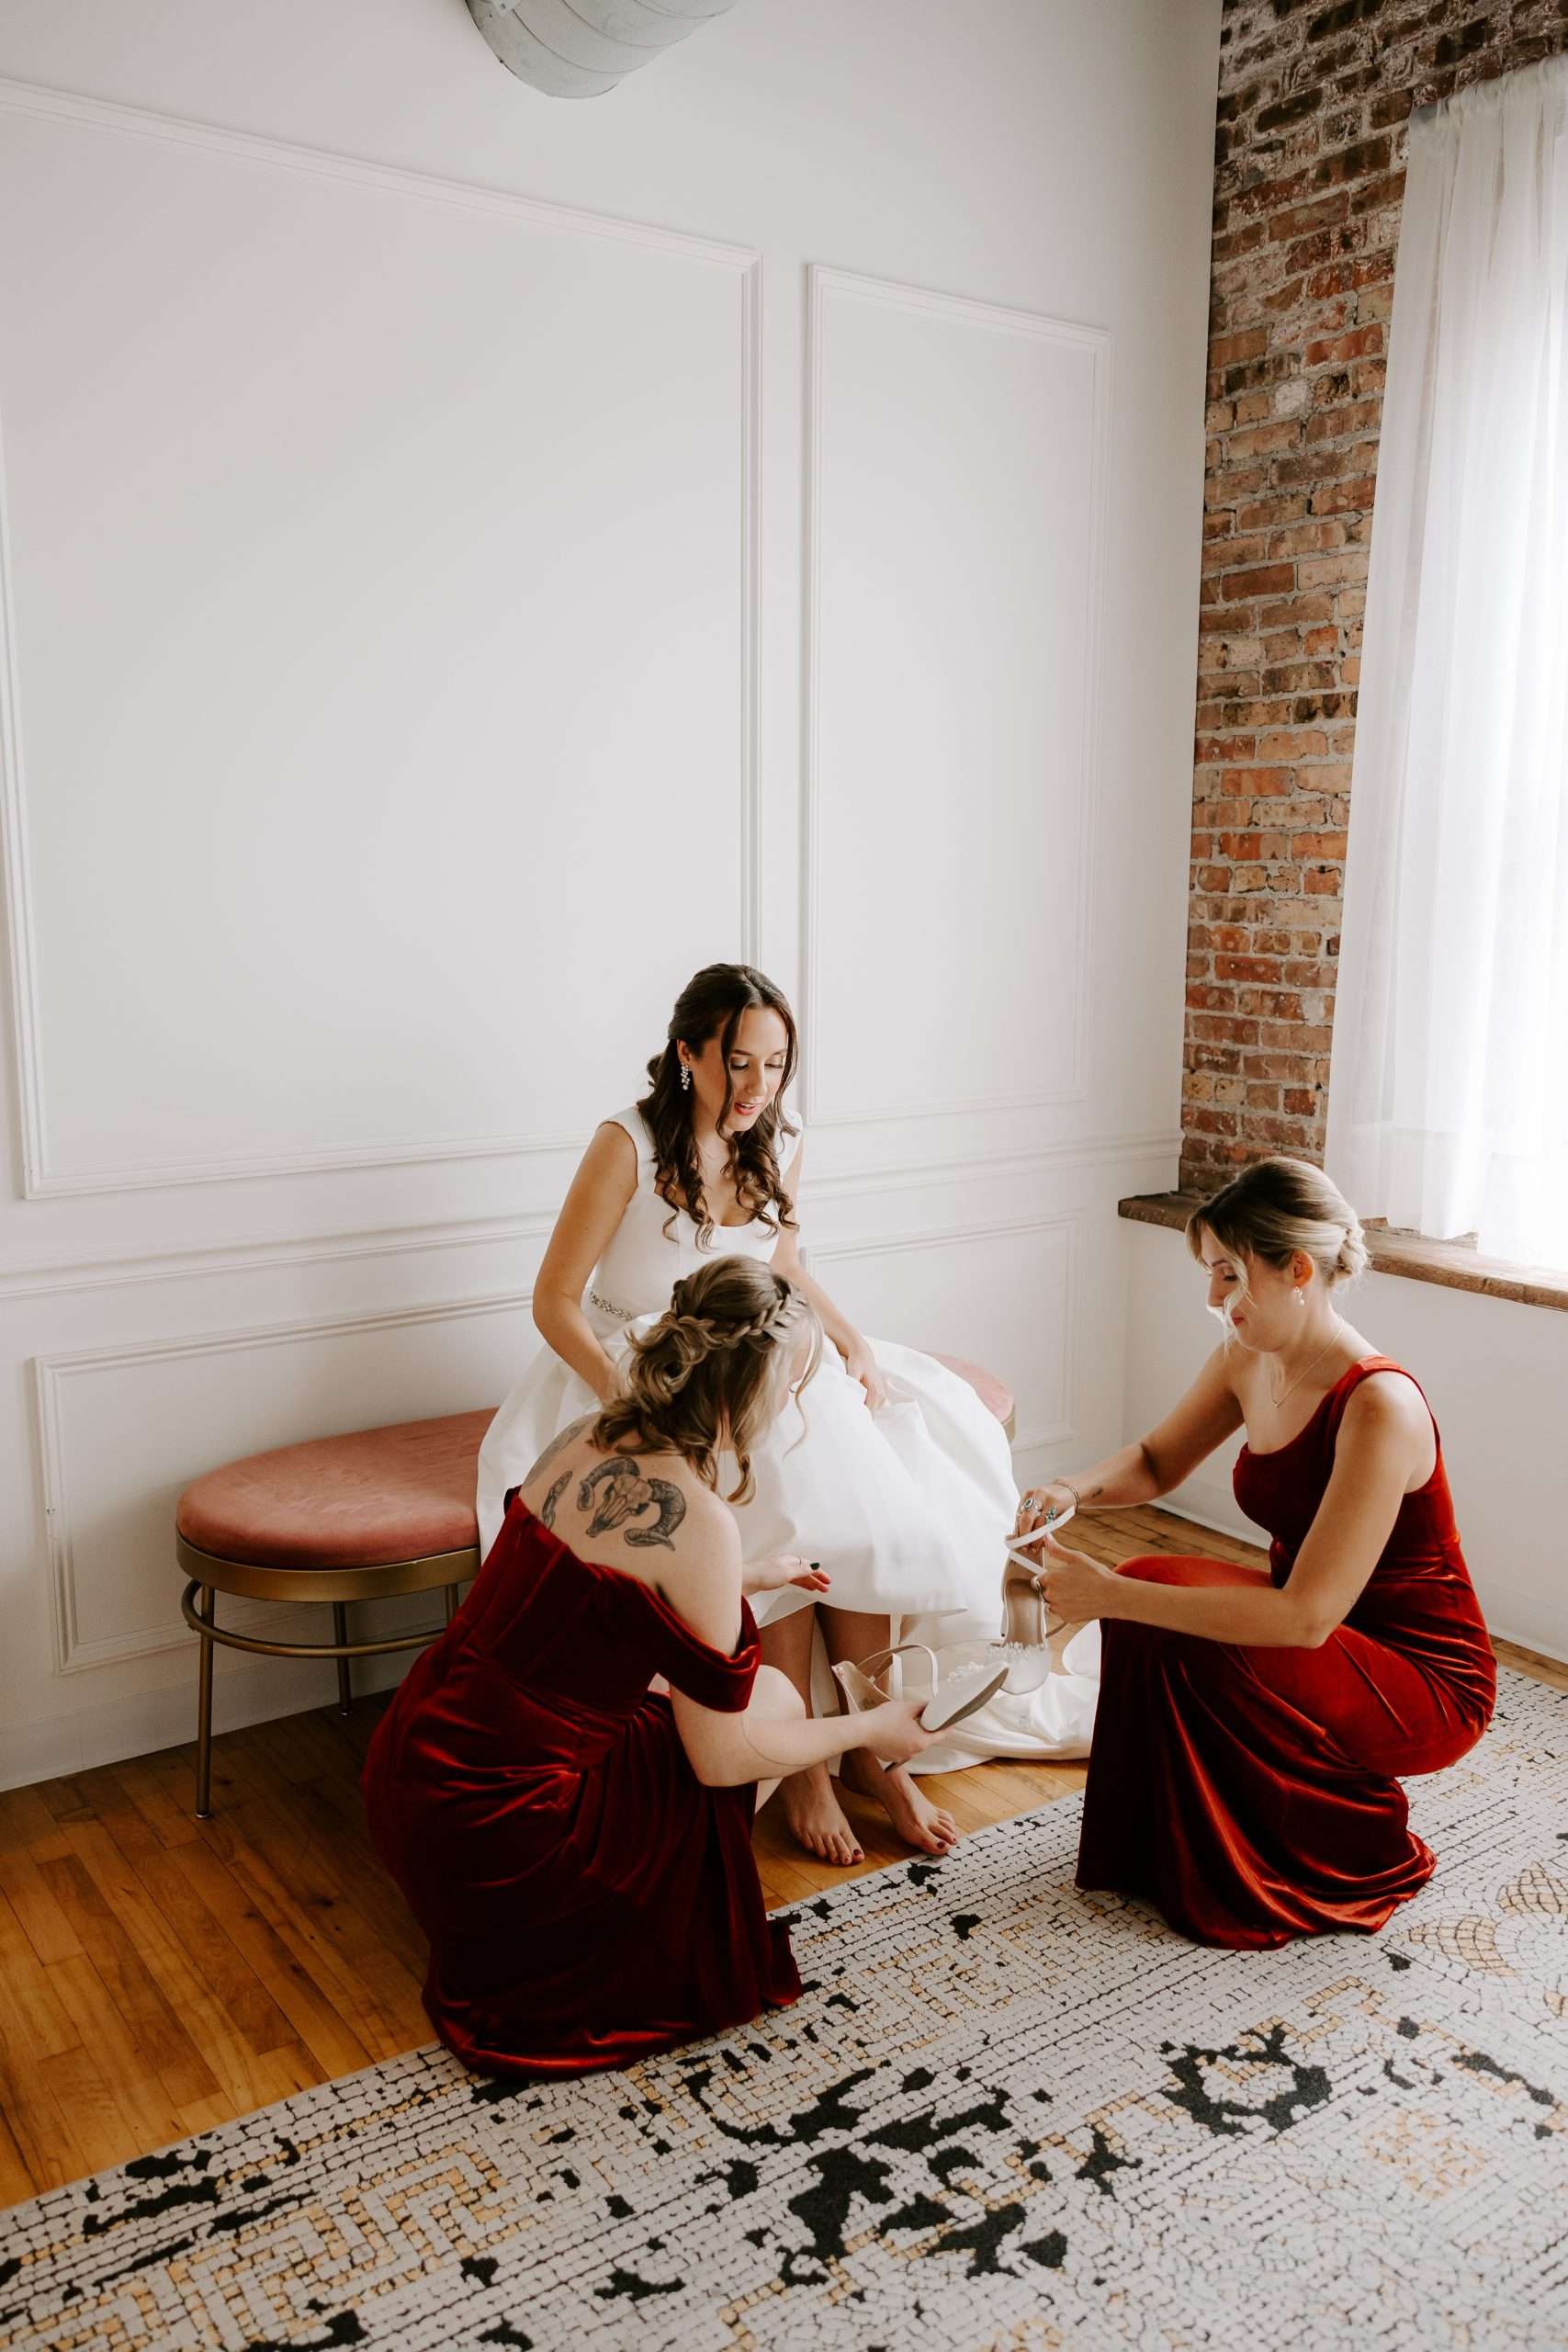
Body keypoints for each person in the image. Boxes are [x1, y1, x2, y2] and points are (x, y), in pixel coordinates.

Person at [477, 962, 1097, 1869]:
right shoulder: (628, 1144)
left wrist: (851, 1339)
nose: (757, 1089)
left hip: (758, 1356)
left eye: (775, 1066)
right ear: (686, 1054)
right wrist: (639, 1404)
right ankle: (807, 1761)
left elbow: (787, 1266)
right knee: (789, 1472)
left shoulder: (781, 1130)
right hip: (635, 1368)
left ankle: (874, 1750)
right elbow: (554, 1302)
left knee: (870, 1461)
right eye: (737, 1064)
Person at [364, 1256, 934, 2081]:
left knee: (729, 1693)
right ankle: (644, 1913)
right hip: (517, 1834)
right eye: (794, 1387)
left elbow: (583, 1578)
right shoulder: (699, 1519)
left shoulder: (583, 1434)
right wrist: (870, 1730)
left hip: (419, 1776)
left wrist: (747, 1577)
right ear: (751, 1389)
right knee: (769, 1700)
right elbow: (722, 1758)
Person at [1011, 1156, 1495, 1951]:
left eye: (1228, 1275)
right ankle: (1175, 1844)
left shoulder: (1377, 1403)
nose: (1212, 1299)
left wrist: (1109, 1596)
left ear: (1297, 1269)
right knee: (1149, 1591)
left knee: (1143, 1593)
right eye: (1209, 1274)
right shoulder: (1247, 1359)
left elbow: (1303, 1618)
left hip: (1421, 1682)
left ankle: (1308, 1850)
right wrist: (1069, 1488)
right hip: (1320, 1640)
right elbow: (1157, 1462)